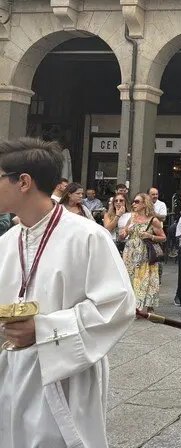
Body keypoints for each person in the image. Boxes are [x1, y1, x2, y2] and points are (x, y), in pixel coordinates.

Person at [0, 137, 135, 447]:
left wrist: (43, 329)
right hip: (11, 371)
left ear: (24, 182)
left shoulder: (87, 236)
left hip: (65, 377)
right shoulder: (6, 242)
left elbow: (117, 306)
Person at [121, 193, 166, 312]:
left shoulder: (153, 220)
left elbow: (163, 237)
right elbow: (125, 231)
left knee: (145, 279)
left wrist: (150, 236)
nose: (133, 204)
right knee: (131, 278)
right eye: (133, 201)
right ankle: (134, 307)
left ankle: (148, 306)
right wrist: (123, 233)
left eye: (137, 202)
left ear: (145, 204)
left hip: (145, 253)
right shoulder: (132, 217)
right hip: (130, 252)